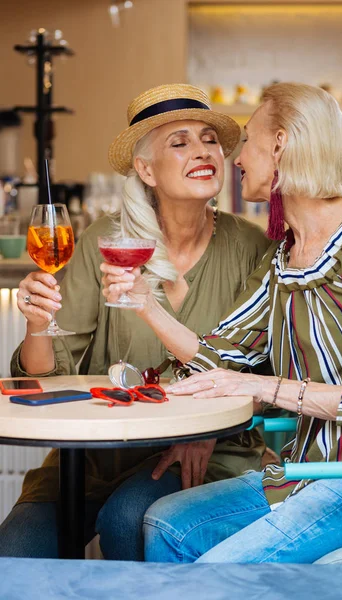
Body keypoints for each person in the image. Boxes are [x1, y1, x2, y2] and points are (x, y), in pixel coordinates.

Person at [102, 82, 342, 564]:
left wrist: (262, 387)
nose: (235, 159)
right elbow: (218, 357)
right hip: (307, 472)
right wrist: (144, 304)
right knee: (165, 523)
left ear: (280, 144)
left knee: (216, 569)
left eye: (247, 140)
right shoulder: (284, 256)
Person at [0, 84, 271, 560]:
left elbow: (261, 372)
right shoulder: (105, 240)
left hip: (205, 455)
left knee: (129, 522)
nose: (203, 151)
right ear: (145, 169)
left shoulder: (252, 248)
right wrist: (38, 324)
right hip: (97, 457)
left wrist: (202, 430)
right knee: (14, 551)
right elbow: (45, 376)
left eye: (209, 138)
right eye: (179, 142)